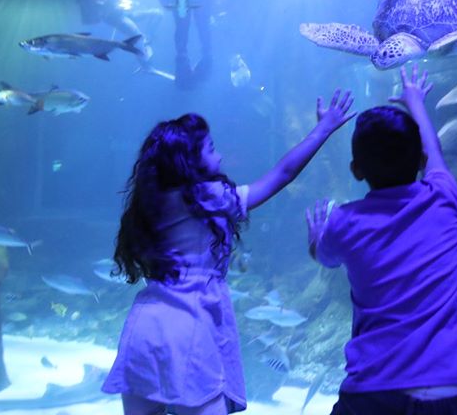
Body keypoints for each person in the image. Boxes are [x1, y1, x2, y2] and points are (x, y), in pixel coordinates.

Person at [102, 89, 355, 415]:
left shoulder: (149, 204)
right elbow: (282, 175)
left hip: (146, 327)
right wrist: (323, 129)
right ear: (190, 161)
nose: (219, 156)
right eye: (211, 148)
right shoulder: (209, 197)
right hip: (191, 325)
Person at [305, 65, 457, 415]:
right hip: (455, 390)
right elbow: (433, 148)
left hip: (375, 393)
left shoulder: (344, 222)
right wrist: (416, 101)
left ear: (356, 170)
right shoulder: (443, 198)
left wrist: (317, 236)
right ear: (420, 162)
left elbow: (323, 255)